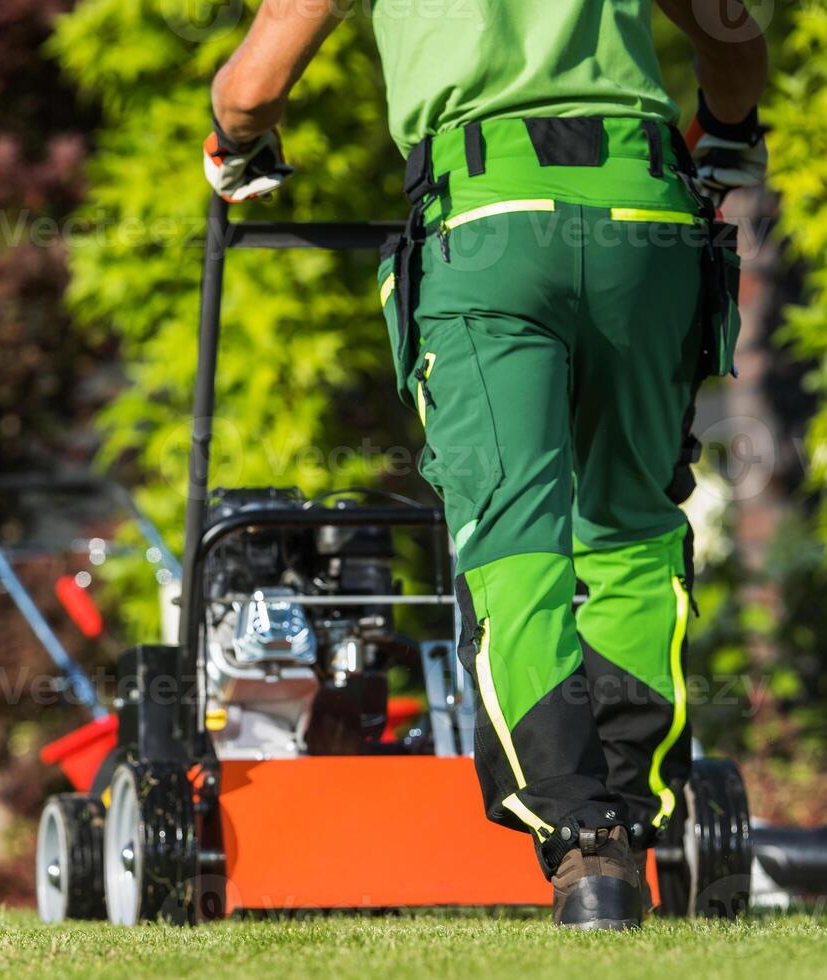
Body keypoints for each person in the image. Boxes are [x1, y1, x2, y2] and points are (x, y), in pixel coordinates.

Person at [206, 1, 768, 930]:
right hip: (646, 214)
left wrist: (234, 144)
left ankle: (582, 843)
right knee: (631, 528)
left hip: (490, 221)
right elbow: (731, 38)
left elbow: (254, 86)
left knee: (514, 535)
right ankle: (625, 829)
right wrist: (726, 129)